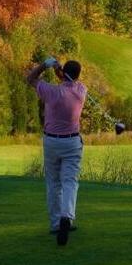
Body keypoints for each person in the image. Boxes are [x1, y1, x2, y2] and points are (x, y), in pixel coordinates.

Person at [26, 57, 87, 246]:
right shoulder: (81, 90)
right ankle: (66, 217)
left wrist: (45, 65)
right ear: (78, 75)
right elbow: (66, 79)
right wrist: (60, 69)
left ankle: (55, 224)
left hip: (52, 141)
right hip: (72, 142)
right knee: (70, 182)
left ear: (63, 73)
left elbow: (30, 79)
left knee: (53, 183)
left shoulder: (52, 92)